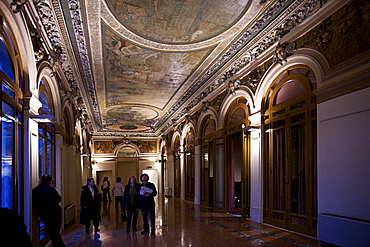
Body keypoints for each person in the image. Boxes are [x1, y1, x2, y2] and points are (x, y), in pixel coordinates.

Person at [32, 174, 65, 246]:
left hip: (43, 213)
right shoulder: (51, 189)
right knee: (55, 232)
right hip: (55, 213)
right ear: (50, 181)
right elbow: (58, 199)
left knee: (51, 232)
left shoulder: (35, 190)